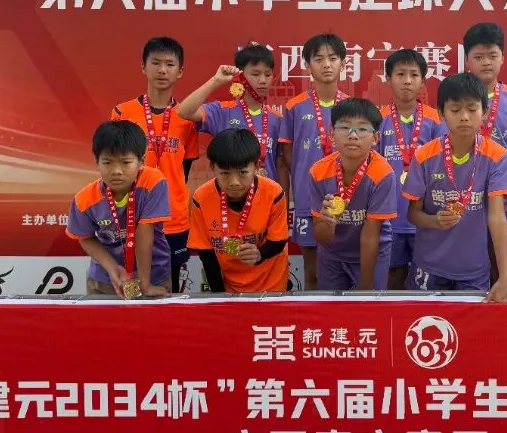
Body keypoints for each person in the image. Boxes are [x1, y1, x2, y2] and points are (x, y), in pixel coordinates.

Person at [403, 73, 507, 301]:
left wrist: (504, 276)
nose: (464, 117)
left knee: (473, 324)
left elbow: (497, 218)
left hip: (473, 269)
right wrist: (435, 221)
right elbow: (413, 214)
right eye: (455, 110)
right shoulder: (424, 155)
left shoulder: (497, 156)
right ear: (441, 113)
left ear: (484, 112)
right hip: (429, 266)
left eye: (472, 109)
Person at [110, 37, 197, 293]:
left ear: (180, 71)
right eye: (156, 63)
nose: (162, 70)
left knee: (169, 288)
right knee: (131, 284)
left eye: (169, 64)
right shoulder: (122, 113)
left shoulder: (187, 117)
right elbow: (114, 165)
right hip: (133, 215)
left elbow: (185, 167)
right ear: (143, 67)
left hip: (174, 217)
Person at [66, 120, 173, 298]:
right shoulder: (83, 200)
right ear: (97, 162)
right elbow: (85, 237)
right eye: (107, 162)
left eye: (126, 162)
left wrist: (145, 284)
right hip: (106, 282)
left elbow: (145, 231)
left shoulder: (153, 182)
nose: (116, 171)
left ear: (141, 162)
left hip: (154, 277)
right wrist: (111, 267)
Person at [463, 21, 507, 289]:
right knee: (469, 266)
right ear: (467, 60)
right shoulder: (455, 100)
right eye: (478, 57)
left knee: (504, 262)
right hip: (464, 199)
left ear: (502, 58)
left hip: (506, 200)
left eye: (492, 56)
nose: (486, 62)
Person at [278, 33, 346, 289]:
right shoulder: (294, 106)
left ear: (343, 64)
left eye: (333, 58)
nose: (326, 64)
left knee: (346, 266)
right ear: (307, 65)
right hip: (308, 201)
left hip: (347, 199)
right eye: (319, 59)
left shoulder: (352, 106)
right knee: (312, 270)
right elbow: (287, 155)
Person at [188, 129, 290, 293]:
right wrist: (220, 296)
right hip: (230, 289)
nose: (234, 182)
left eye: (243, 172)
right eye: (225, 173)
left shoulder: (273, 193)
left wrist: (259, 254)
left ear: (256, 166)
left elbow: (278, 241)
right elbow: (206, 254)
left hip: (272, 286)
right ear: (213, 167)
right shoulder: (201, 198)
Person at [310, 98, 397, 291]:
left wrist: (365, 288)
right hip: (332, 254)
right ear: (331, 134)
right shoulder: (318, 172)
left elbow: (370, 235)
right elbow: (321, 237)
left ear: (375, 138)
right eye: (344, 127)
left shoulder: (383, 174)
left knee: (368, 304)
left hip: (372, 251)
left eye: (362, 129)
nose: (353, 135)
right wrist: (327, 224)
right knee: (329, 305)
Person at [376, 49, 442, 290]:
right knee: (392, 276)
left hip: (424, 217)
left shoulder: (436, 120)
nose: (407, 81)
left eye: (414, 75)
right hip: (388, 216)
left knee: (424, 281)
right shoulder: (377, 119)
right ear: (388, 78)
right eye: (400, 74)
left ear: (423, 80)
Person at [177, 43, 284, 180]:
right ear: (241, 76)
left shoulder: (278, 119)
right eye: (255, 74)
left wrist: (282, 194)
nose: (263, 80)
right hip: (229, 189)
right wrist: (216, 81)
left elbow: (280, 165)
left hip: (266, 191)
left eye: (268, 74)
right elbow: (184, 111)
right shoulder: (222, 112)